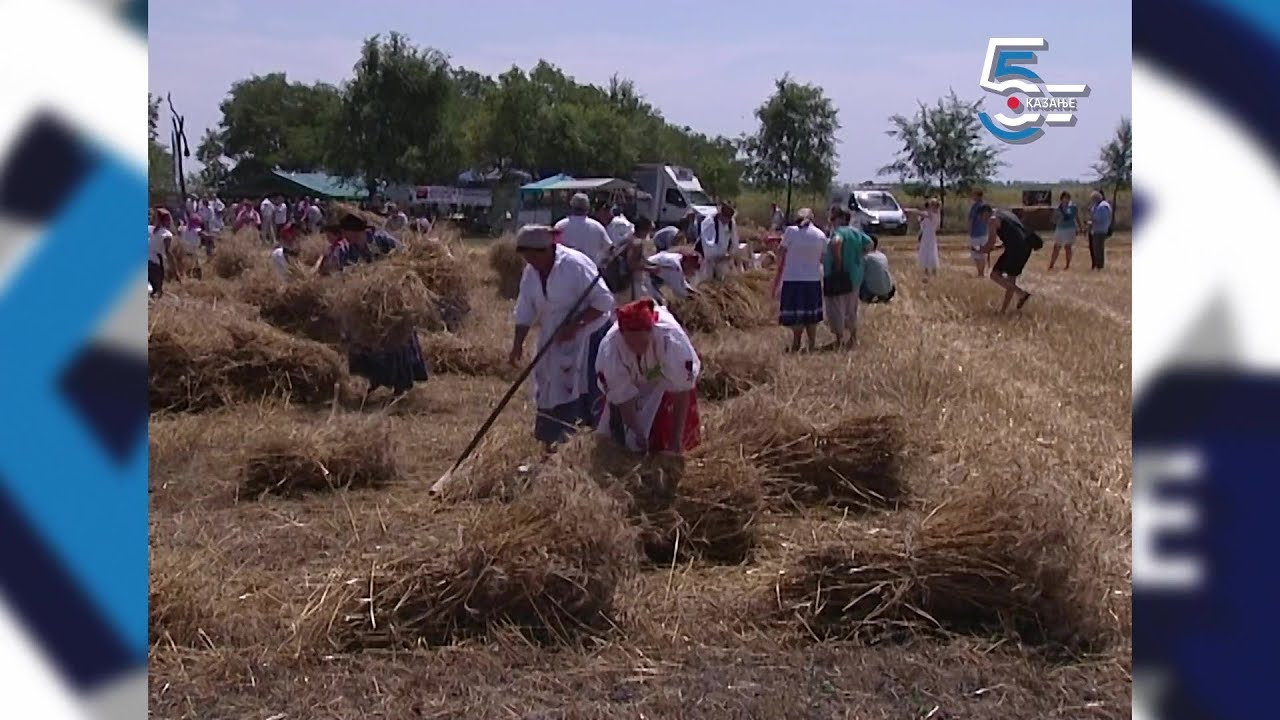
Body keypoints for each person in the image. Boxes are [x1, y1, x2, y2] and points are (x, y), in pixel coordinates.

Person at [510, 225, 615, 447]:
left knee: (581, 386)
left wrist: (575, 326)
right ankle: (551, 440)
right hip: (553, 333)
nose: (530, 261)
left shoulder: (575, 265)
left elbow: (604, 302)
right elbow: (525, 308)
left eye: (533, 255)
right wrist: (517, 344)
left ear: (546, 249)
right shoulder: (531, 272)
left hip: (588, 334)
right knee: (548, 384)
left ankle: (583, 441)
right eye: (526, 256)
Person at [321, 214, 429, 396]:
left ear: (356, 231)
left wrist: (388, 274)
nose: (345, 237)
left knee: (396, 340)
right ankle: (376, 378)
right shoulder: (347, 250)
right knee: (368, 341)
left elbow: (404, 257)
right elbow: (343, 273)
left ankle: (401, 383)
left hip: (391, 298)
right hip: (366, 301)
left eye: (347, 233)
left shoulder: (381, 240)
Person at [595, 298, 701, 455]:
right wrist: (637, 430)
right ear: (621, 335)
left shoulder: (671, 342)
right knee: (626, 441)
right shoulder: (610, 350)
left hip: (664, 380)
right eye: (631, 344)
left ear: (652, 331)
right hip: (631, 381)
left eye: (643, 344)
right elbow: (622, 397)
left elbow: (681, 391)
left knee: (664, 434)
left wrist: (676, 440)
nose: (638, 349)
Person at [772, 208, 829, 353]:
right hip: (813, 279)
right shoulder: (820, 235)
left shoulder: (791, 232)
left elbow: (781, 251)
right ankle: (811, 344)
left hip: (793, 278)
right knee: (811, 315)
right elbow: (823, 258)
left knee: (796, 314)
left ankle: (796, 343)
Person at [822, 207, 873, 349]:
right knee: (852, 308)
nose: (831, 221)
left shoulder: (838, 233)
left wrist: (838, 263)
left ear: (841, 219)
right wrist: (859, 255)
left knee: (837, 307)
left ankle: (839, 340)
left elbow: (836, 242)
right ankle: (853, 337)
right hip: (855, 275)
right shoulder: (856, 233)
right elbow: (870, 244)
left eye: (833, 218)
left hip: (839, 276)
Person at [975, 204, 1036, 313]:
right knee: (1010, 280)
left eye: (982, 218)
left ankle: (1022, 293)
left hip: (1015, 249)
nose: (983, 221)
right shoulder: (1005, 213)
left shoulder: (992, 220)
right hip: (1025, 247)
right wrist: (997, 247)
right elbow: (1015, 234)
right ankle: (1003, 310)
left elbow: (990, 242)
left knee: (994, 275)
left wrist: (982, 250)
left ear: (985, 213)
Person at [554, 192, 614, 268]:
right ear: (588, 207)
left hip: (566, 270)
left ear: (571, 206)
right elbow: (609, 249)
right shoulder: (597, 226)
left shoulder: (560, 226)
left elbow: (553, 247)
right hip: (591, 270)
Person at [698, 200, 739, 282]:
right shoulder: (709, 222)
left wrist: (730, 254)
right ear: (720, 213)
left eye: (729, 216)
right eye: (725, 215)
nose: (727, 219)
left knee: (725, 280)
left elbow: (734, 242)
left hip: (723, 259)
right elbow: (708, 247)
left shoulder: (731, 223)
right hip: (707, 260)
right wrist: (718, 256)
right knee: (706, 281)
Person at [906, 198, 941, 280]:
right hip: (926, 235)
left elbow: (920, 213)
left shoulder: (934, 215)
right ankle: (926, 270)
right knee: (925, 251)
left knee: (931, 251)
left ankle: (933, 270)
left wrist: (911, 210)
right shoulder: (928, 214)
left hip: (930, 236)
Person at [1049, 191, 1083, 271]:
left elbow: (1076, 217)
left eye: (1068, 198)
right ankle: (1051, 264)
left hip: (1070, 229)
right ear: (1062, 199)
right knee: (1056, 247)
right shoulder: (1058, 208)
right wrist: (1058, 219)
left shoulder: (1073, 207)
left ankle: (1067, 265)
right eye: (1065, 198)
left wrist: (1080, 227)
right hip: (1060, 229)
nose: (1066, 199)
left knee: (1068, 247)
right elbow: (1053, 219)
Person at [860, 236, 897, 304]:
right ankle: (884, 295)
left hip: (870, 290)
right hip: (888, 289)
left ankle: (867, 296)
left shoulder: (865, 258)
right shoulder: (882, 256)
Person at [148, 209, 174, 298]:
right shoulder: (166, 235)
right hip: (155, 263)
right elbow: (168, 252)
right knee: (157, 292)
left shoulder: (150, 229)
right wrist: (174, 270)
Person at [1087, 189, 1114, 271]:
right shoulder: (1099, 205)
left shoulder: (1102, 206)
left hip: (1100, 230)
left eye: (1093, 199)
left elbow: (1099, 219)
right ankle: (1098, 265)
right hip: (1097, 230)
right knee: (1096, 248)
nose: (1092, 201)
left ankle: (1100, 266)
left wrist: (1091, 222)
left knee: (1099, 249)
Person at [967, 188, 989, 277]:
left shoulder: (975, 207)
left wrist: (969, 231)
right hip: (984, 233)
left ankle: (980, 272)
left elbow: (971, 220)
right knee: (982, 253)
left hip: (975, 233)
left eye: (974, 195)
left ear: (977, 195)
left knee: (975, 253)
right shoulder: (986, 206)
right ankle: (982, 272)